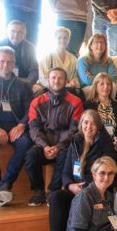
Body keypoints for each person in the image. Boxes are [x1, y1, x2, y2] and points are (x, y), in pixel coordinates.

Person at [47, 110, 114, 231]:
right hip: (75, 189)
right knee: (56, 197)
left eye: (92, 123)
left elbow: (106, 172)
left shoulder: (105, 144)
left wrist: (84, 188)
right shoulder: (75, 141)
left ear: (98, 126)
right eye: (85, 122)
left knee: (75, 207)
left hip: (93, 192)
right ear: (80, 124)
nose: (88, 127)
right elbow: (65, 172)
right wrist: (70, 185)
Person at [23, 68, 84, 207]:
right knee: (30, 156)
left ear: (66, 81)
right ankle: (38, 191)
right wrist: (45, 146)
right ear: (48, 80)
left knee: (65, 155)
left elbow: (74, 130)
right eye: (53, 78)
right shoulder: (36, 102)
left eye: (60, 78)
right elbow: (34, 129)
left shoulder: (76, 102)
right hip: (43, 145)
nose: (57, 81)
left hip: (64, 145)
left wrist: (58, 147)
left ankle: (53, 190)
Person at [0, 47, 33, 204]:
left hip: (15, 127)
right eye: (2, 61)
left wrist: (22, 125)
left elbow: (30, 110)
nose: (5, 65)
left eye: (9, 62)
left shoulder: (24, 86)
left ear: (14, 63)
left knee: (26, 143)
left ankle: (6, 184)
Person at [84, 73, 117, 164]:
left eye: (108, 84)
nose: (106, 87)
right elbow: (85, 128)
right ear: (96, 86)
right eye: (102, 84)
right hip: (96, 143)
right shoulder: (88, 105)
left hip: (114, 143)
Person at [37, 28, 82, 94]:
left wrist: (73, 82)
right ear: (54, 39)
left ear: (68, 40)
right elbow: (43, 78)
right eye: (59, 38)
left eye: (65, 38)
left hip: (68, 90)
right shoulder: (47, 56)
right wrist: (59, 86)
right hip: (50, 90)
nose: (62, 40)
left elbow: (75, 77)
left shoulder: (73, 58)